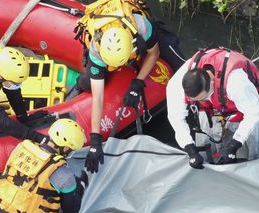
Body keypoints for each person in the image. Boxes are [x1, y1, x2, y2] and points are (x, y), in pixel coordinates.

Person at [73, 0, 186, 173]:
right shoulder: (97, 50)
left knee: (178, 61)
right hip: (111, 47)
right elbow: (98, 98)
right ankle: (78, 84)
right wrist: (95, 139)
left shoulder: (141, 26)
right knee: (88, 83)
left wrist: (138, 83)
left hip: (138, 39)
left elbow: (153, 53)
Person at [166, 47, 259, 169]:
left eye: (203, 98)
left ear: (211, 82)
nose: (202, 101)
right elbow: (175, 117)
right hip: (211, 109)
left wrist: (234, 144)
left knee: (258, 149)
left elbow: (254, 113)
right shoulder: (176, 85)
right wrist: (189, 148)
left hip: (245, 106)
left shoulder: (236, 82)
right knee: (203, 144)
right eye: (197, 99)